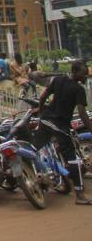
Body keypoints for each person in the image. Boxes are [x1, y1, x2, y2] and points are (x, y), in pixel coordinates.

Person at [36, 61, 92, 203]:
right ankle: (79, 195)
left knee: (36, 148)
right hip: (60, 124)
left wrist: (41, 112)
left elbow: (42, 98)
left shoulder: (58, 80)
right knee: (72, 158)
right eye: (84, 73)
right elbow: (82, 114)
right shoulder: (79, 90)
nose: (86, 75)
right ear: (75, 72)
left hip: (45, 120)